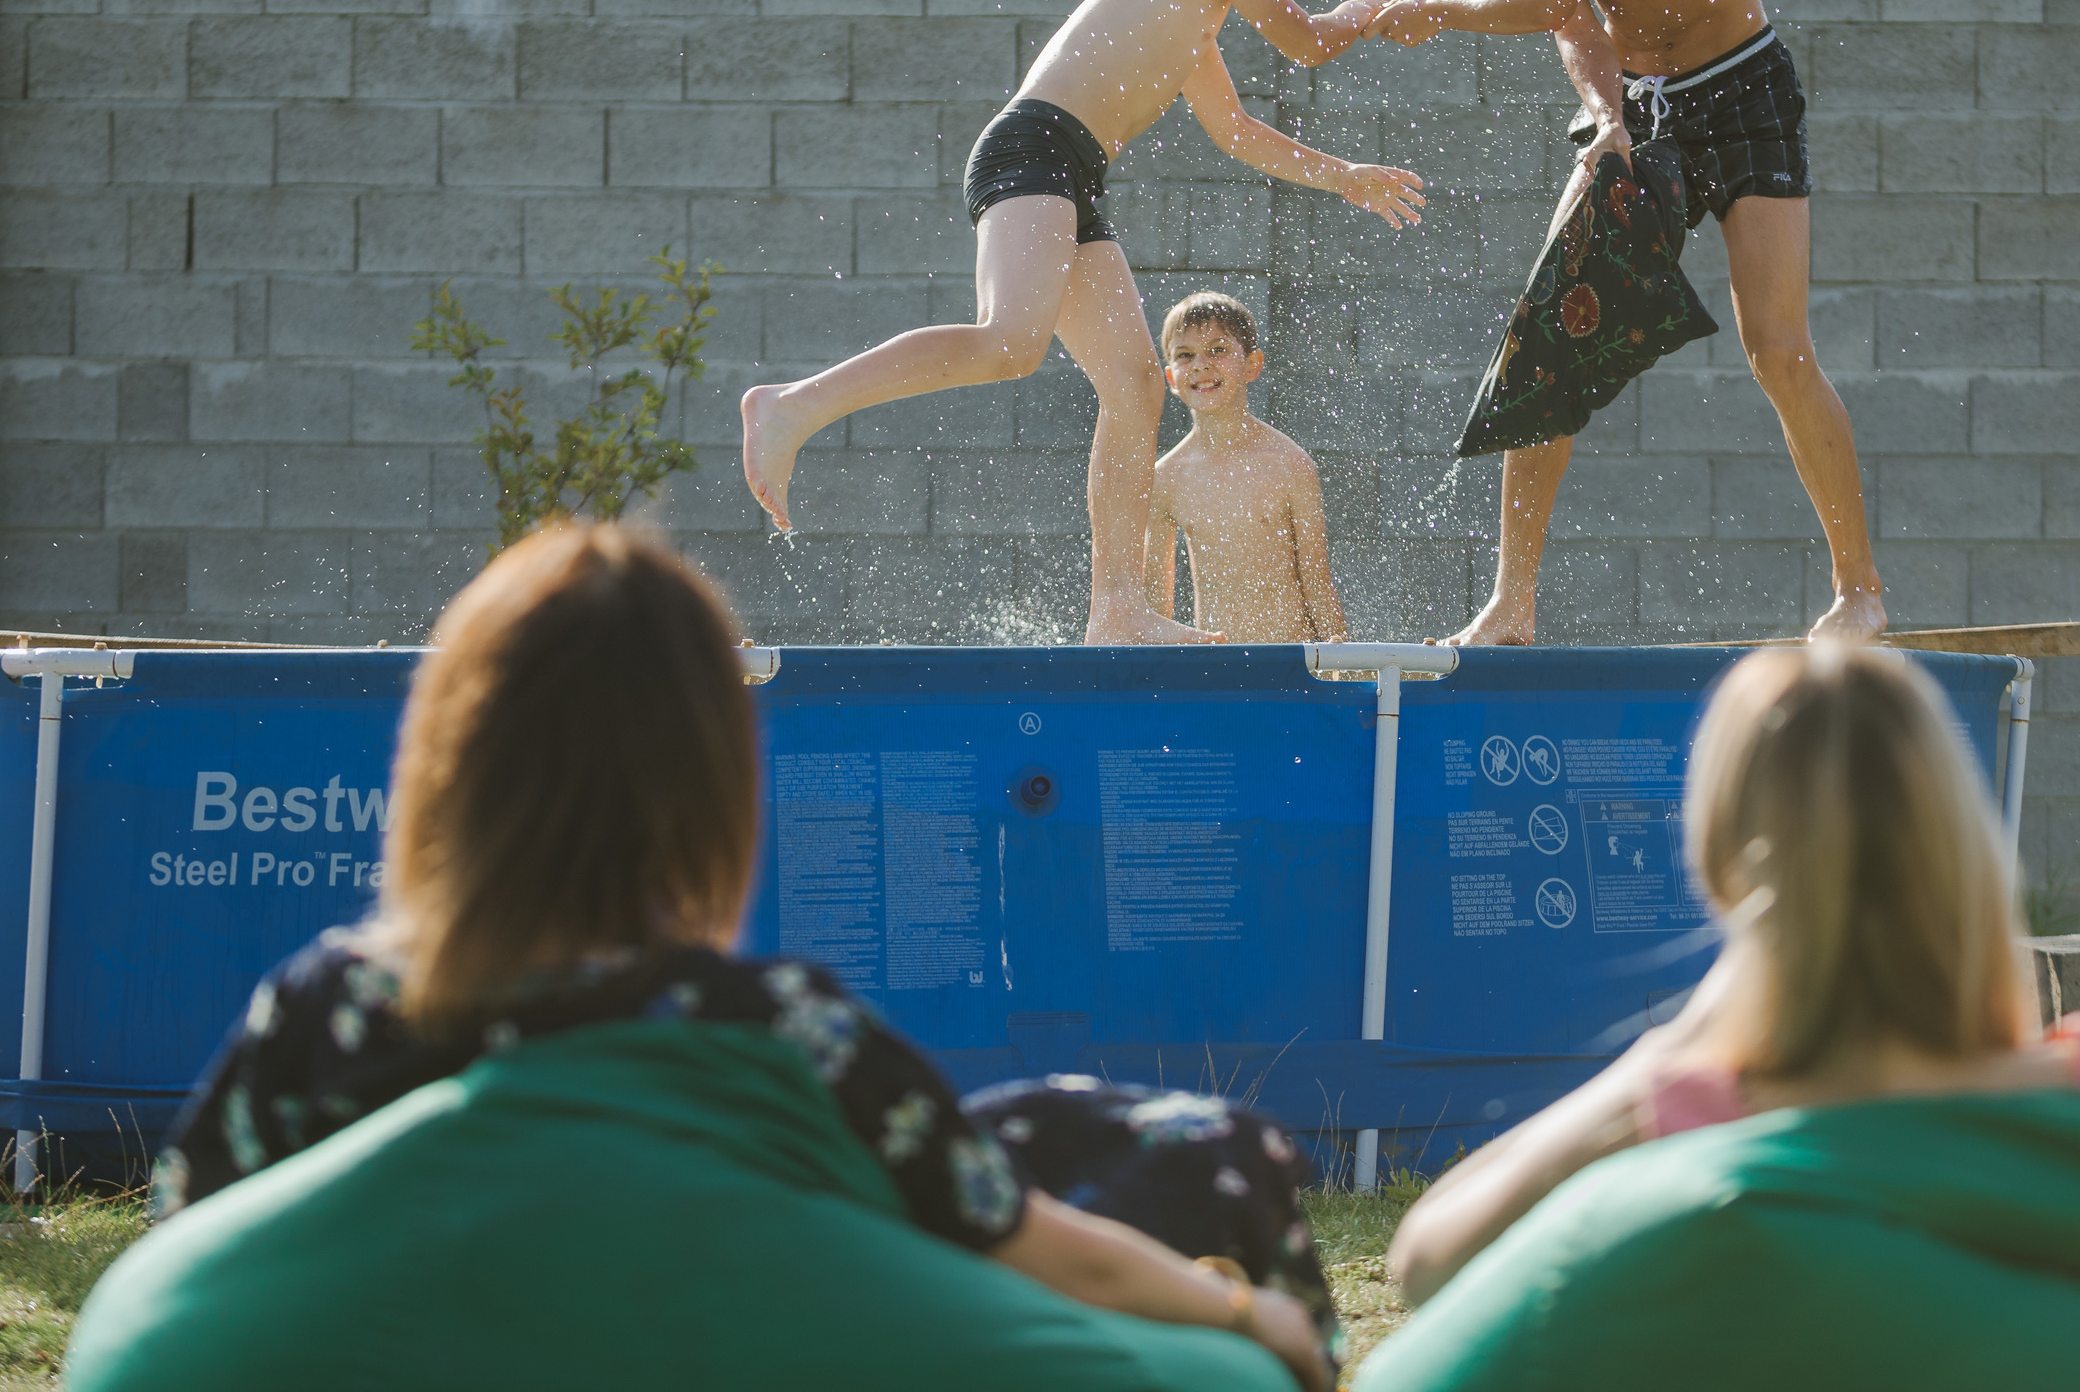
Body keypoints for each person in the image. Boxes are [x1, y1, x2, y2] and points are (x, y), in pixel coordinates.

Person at [68, 525, 1331, 1392]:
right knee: (1202, 1165)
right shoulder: (766, 1025)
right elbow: (1024, 1239)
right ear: (709, 793)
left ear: (446, 773)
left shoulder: (325, 1003)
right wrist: (1243, 1316)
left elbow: (194, 1246)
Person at [1357, 646, 2080, 1392]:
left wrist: (1658, 1059)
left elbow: (1425, 1262)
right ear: (1963, 849)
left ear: (1716, 860)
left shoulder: (1698, 1113)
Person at [741, 0, 1423, 646]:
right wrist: (1388, 7)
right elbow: (1308, 40)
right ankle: (791, 406)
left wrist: (1345, 177)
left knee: (1137, 384)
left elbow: (1238, 133)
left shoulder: (1193, 3)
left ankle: (1116, 608)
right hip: (1031, 148)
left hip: (1073, 172)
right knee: (1008, 343)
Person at [1371, 0, 1886, 647]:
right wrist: (1605, 113)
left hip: (1744, 86)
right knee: (1545, 337)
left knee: (1777, 347)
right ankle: (1512, 601)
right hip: (1646, 105)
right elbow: (1572, 24)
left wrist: (1436, 6)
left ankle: (1859, 591)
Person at [1144, 292, 1347, 643]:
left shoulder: (1289, 465)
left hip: (1293, 660)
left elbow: (1317, 580)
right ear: (1172, 379)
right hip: (1218, 667)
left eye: (1218, 349)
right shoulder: (1166, 477)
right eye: (1185, 355)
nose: (1201, 364)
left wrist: (1346, 673)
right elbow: (1156, 604)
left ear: (1252, 365)